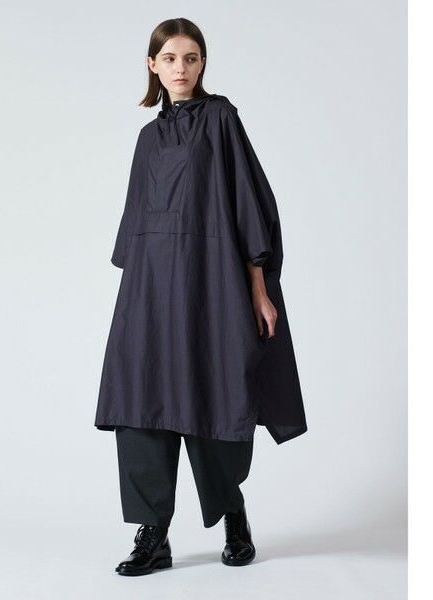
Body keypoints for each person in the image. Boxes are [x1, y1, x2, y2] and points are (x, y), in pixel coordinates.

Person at [94, 17, 308, 576]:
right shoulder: (147, 139)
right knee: (141, 397)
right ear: (152, 65)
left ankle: (233, 515)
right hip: (149, 288)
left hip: (211, 281)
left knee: (216, 390)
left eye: (191, 58)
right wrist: (136, 298)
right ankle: (153, 534)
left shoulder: (220, 119)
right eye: (169, 58)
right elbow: (135, 224)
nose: (180, 68)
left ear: (203, 63)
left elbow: (247, 204)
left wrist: (258, 288)